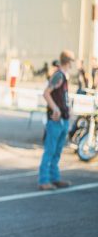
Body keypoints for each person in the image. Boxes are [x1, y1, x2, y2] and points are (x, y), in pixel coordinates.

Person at [38, 50, 74, 191]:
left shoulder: (64, 76)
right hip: (55, 121)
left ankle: (55, 178)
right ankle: (44, 181)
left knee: (57, 151)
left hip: (63, 120)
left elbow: (62, 96)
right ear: (68, 61)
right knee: (50, 151)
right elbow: (46, 93)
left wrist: (67, 109)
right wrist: (56, 109)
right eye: (73, 60)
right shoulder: (58, 75)